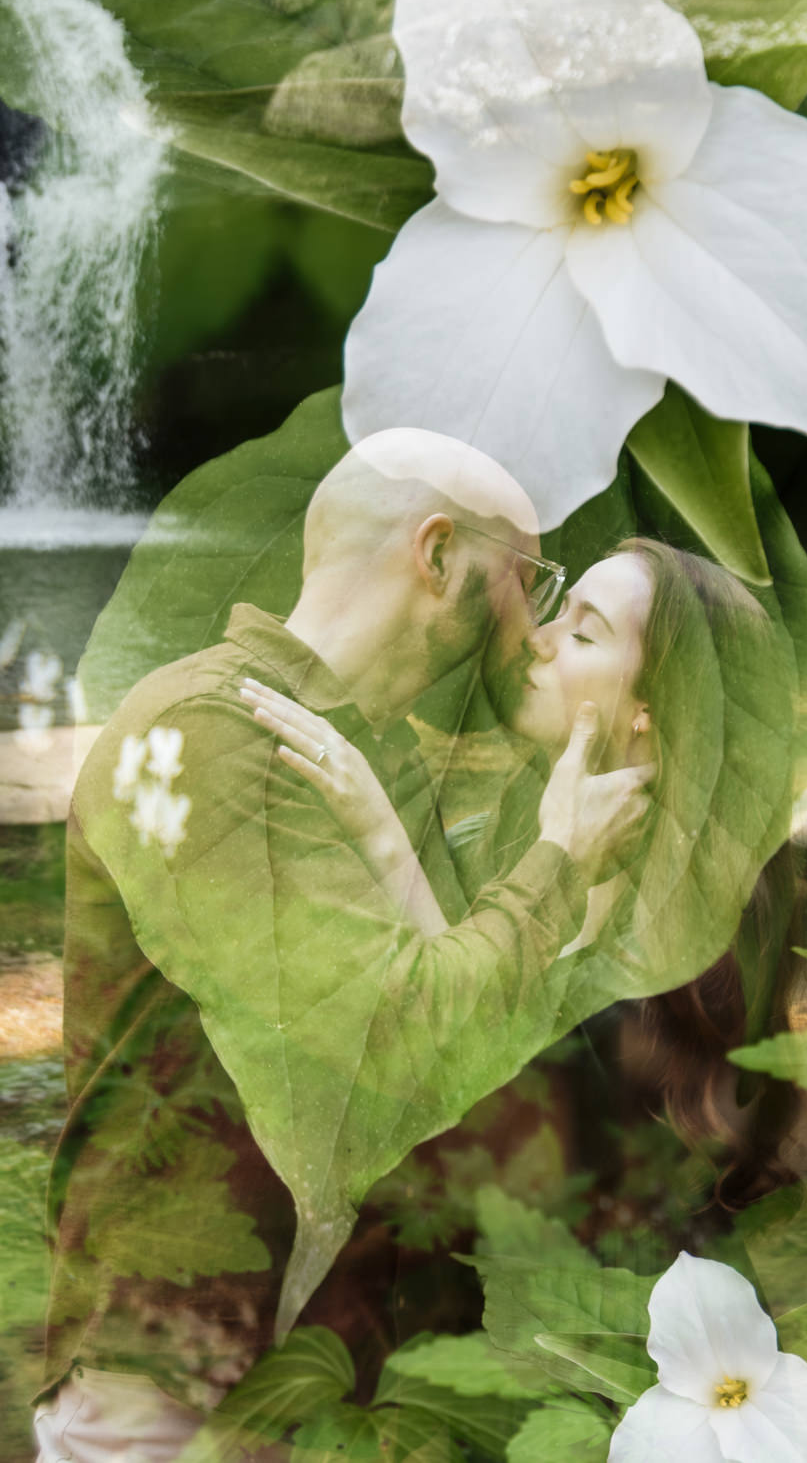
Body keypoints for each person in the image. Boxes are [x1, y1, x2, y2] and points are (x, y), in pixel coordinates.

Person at [34, 428, 651, 1461]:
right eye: (528, 580)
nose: (532, 627)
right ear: (440, 556)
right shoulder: (205, 738)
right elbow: (400, 1041)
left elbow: (479, 1057)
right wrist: (556, 860)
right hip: (180, 1380)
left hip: (335, 1372)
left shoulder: (375, 760)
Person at [242, 537, 802, 1218]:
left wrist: (383, 832)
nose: (537, 639)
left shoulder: (668, 977)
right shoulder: (502, 842)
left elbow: (463, 1096)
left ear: (649, 707)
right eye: (556, 614)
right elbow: (466, 1001)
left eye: (583, 632)